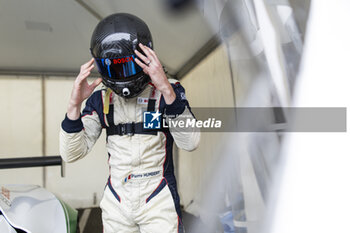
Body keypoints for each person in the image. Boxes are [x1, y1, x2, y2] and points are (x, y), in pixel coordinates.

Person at [59, 13, 200, 233]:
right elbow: (71, 153)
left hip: (157, 197)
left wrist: (166, 89)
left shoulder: (168, 91)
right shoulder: (101, 99)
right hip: (118, 201)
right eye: (114, 68)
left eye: (127, 66)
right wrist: (74, 104)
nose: (122, 76)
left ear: (146, 56)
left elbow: (191, 142)